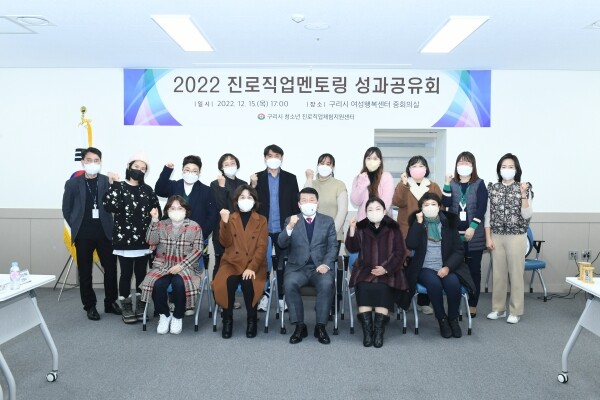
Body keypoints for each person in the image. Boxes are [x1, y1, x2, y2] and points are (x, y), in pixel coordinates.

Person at [404, 193, 475, 338]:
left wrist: (447, 267)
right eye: (426, 205)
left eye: (433, 204)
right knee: (434, 284)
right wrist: (418, 223)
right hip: (425, 267)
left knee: (453, 284)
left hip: (446, 266)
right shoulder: (418, 224)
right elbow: (410, 244)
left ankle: (453, 319)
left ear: (439, 206)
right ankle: (442, 318)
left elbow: (458, 250)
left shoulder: (448, 224)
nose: (430, 207)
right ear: (421, 208)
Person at [62, 147, 121, 321]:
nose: (92, 163)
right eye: (89, 160)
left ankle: (110, 302)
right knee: (85, 272)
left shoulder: (106, 181)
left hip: (105, 233)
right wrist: (76, 225)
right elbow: (66, 209)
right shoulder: (73, 184)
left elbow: (117, 203)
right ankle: (90, 305)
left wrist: (115, 183)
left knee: (111, 269)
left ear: (100, 162)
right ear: (83, 162)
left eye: (96, 160)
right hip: (83, 235)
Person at [103, 153, 161, 324]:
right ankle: (126, 306)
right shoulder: (119, 186)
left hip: (144, 241)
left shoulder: (148, 190)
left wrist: (154, 237)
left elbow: (157, 212)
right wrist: (113, 185)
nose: (139, 171)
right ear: (129, 167)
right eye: (136, 167)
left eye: (143, 169)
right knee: (126, 274)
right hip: (124, 241)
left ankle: (142, 305)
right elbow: (109, 206)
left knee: (142, 274)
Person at [345, 197, 407, 348]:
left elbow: (400, 253)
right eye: (370, 210)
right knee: (363, 286)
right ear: (366, 212)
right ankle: (367, 331)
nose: (374, 212)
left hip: (389, 270)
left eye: (378, 209)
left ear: (384, 211)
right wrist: (352, 230)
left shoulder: (394, 228)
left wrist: (385, 268)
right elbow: (352, 248)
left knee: (383, 288)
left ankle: (379, 331)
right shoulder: (360, 227)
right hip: (365, 269)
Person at [278, 187, 337, 345]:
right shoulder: (291, 220)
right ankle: (299, 326)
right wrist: (289, 227)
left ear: (317, 202)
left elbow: (333, 247)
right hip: (297, 267)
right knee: (289, 284)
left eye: (312, 200)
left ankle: (321, 326)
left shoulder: (327, 221)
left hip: (320, 267)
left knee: (327, 283)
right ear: (299, 204)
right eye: (304, 200)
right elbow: (281, 243)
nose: (308, 203)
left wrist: (326, 264)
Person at [140, 196, 203, 335]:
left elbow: (198, 250)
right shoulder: (161, 224)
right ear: (167, 210)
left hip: (186, 266)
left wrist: (181, 266)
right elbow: (151, 241)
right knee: (157, 284)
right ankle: (164, 315)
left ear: (186, 210)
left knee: (179, 283)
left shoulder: (194, 226)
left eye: (180, 208)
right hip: (163, 265)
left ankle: (178, 316)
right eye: (172, 208)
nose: (176, 211)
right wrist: (154, 220)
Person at [211, 185, 268, 339]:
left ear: (254, 200)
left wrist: (252, 267)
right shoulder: (230, 218)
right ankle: (227, 319)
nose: (246, 200)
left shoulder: (261, 220)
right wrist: (224, 223)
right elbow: (225, 242)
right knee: (227, 281)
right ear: (236, 200)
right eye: (242, 197)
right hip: (231, 262)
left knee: (249, 282)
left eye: (249, 197)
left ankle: (252, 319)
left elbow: (262, 247)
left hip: (254, 263)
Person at [251, 144, 300, 311]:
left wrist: (293, 227)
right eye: (270, 156)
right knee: (262, 264)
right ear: (265, 158)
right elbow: (250, 205)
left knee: (283, 265)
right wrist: (252, 185)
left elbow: (295, 205)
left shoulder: (290, 178)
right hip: (262, 230)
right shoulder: (256, 178)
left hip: (283, 229)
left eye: (277, 156)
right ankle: (263, 296)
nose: (273, 159)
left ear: (282, 158)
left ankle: (281, 296)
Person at [485, 153, 533, 324]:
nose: (507, 169)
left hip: (517, 236)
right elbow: (488, 215)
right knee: (498, 274)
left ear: (517, 169)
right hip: (496, 236)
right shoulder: (493, 188)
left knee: (516, 274)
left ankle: (515, 311)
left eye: (511, 167)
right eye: (504, 167)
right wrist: (488, 237)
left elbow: (527, 214)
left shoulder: (524, 187)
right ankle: (498, 309)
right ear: (499, 169)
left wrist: (523, 194)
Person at [392, 155, 443, 315]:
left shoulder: (433, 186)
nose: (418, 169)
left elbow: (440, 207)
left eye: (421, 166)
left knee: (424, 264)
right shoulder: (404, 184)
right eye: (414, 166)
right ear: (409, 169)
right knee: (404, 264)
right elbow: (397, 202)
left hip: (428, 232)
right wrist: (403, 184)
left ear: (426, 169)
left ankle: (423, 302)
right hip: (406, 230)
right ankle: (402, 300)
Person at [442, 151, 488, 318]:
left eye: (467, 163)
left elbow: (482, 208)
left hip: (474, 235)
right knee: (455, 270)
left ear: (473, 166)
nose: (464, 165)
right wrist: (446, 184)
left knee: (474, 270)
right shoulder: (453, 183)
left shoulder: (479, 184)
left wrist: (473, 227)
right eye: (461, 162)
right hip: (455, 236)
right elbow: (446, 203)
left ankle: (473, 303)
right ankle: (456, 303)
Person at [304, 153, 348, 309]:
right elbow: (304, 199)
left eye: (328, 163)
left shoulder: (339, 185)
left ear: (333, 167)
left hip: (333, 236)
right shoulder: (313, 183)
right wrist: (309, 178)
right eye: (322, 163)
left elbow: (342, 211)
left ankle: (331, 305)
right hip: (312, 237)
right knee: (316, 270)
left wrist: (329, 234)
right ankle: (321, 303)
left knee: (328, 270)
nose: (324, 166)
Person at [155, 155, 218, 261]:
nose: (190, 173)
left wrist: (199, 235)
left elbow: (212, 217)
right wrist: (167, 170)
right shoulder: (174, 185)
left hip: (195, 241)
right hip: (170, 239)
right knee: (169, 267)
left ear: (199, 172)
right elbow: (159, 190)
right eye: (187, 170)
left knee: (193, 269)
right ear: (182, 170)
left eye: (194, 171)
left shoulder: (207, 191)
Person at [209, 153, 248, 277]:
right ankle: (217, 288)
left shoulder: (243, 184)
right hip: (222, 230)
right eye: (226, 164)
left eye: (232, 163)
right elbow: (221, 207)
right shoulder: (215, 184)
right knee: (221, 262)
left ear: (237, 165)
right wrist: (221, 187)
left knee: (239, 262)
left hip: (241, 230)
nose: (230, 166)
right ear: (221, 167)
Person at [350, 147, 394, 222]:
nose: (371, 161)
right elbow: (356, 201)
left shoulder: (387, 177)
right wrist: (362, 182)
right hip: (364, 222)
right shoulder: (359, 178)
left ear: (380, 162)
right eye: (368, 158)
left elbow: (386, 202)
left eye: (375, 158)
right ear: (365, 161)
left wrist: (377, 217)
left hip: (383, 222)